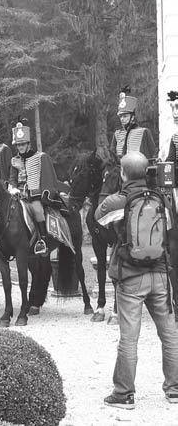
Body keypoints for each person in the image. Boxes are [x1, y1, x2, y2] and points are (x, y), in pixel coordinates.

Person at [94, 151, 178, 409]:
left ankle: (124, 394)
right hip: (161, 274)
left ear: (122, 173)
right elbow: (170, 231)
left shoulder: (117, 202)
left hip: (131, 277)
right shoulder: (162, 199)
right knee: (170, 334)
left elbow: (97, 219)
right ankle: (174, 389)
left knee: (129, 338)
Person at [8, 121, 62, 256]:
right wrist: (13, 188)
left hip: (34, 196)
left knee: (37, 210)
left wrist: (40, 193)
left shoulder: (39, 157)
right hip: (18, 195)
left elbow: (47, 177)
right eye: (18, 145)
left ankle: (42, 241)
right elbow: (12, 178)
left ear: (28, 144)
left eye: (22, 144)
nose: (20, 147)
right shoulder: (14, 160)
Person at [110, 88, 157, 161]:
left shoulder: (144, 132)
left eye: (125, 116)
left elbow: (152, 153)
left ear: (132, 117)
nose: (122, 119)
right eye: (121, 116)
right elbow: (112, 154)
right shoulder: (117, 134)